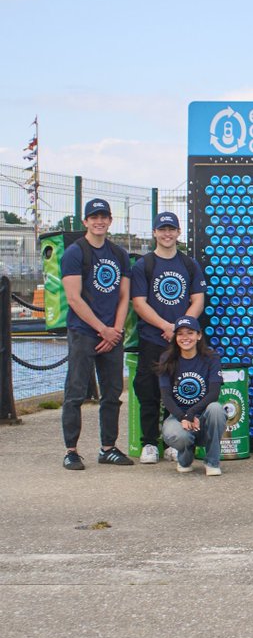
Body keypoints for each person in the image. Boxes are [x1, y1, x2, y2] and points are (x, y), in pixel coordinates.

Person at [60, 197, 134, 470]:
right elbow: (73, 298)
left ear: (110, 220)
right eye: (94, 217)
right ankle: (71, 450)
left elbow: (124, 296)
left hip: (112, 333)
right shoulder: (75, 253)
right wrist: (102, 329)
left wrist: (116, 330)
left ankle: (108, 448)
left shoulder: (119, 254)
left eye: (104, 217)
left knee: (112, 392)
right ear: (85, 221)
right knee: (76, 392)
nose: (99, 221)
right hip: (84, 331)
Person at [130, 211, 206, 463]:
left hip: (181, 343)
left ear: (178, 232)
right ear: (154, 233)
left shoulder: (189, 265)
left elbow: (198, 300)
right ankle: (150, 443)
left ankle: (173, 442)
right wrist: (165, 325)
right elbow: (139, 303)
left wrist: (180, 329)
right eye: (162, 229)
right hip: (153, 339)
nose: (167, 234)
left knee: (179, 391)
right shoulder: (143, 265)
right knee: (149, 392)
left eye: (171, 229)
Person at [158, 316, 227, 477]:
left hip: (203, 415)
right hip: (178, 417)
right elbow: (166, 397)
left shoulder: (211, 357)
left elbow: (214, 393)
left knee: (216, 409)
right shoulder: (167, 359)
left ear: (199, 335)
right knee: (179, 435)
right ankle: (185, 458)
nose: (185, 338)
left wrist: (192, 413)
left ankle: (212, 462)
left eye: (190, 333)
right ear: (175, 337)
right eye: (180, 334)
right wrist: (183, 416)